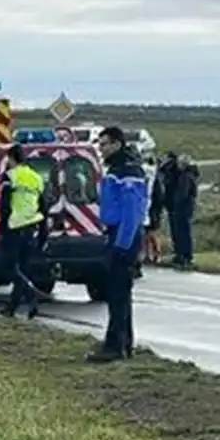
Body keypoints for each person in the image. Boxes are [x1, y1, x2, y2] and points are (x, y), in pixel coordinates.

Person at [87, 126, 148, 363]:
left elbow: (132, 212)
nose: (101, 150)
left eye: (104, 145)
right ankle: (122, 343)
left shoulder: (127, 172)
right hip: (117, 234)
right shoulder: (118, 169)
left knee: (118, 293)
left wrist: (122, 245)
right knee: (118, 294)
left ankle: (115, 346)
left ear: (117, 144)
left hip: (124, 237)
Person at [0, 143, 45, 319]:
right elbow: (43, 205)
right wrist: (43, 233)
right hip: (32, 225)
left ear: (11, 158)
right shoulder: (36, 177)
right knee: (24, 268)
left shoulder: (10, 177)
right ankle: (12, 307)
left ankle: (31, 297)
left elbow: (4, 205)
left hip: (14, 226)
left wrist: (2, 228)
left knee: (10, 268)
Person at [168, 153, 199, 269]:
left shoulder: (185, 176)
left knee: (181, 232)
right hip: (186, 208)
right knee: (183, 232)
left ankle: (183, 255)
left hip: (182, 209)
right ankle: (184, 255)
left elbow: (182, 194)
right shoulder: (189, 175)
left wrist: (175, 204)